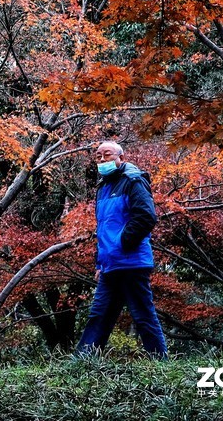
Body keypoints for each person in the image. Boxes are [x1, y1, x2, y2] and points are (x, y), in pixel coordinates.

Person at [76, 140, 167, 358]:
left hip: (132, 261)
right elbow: (104, 229)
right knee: (99, 314)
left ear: (121, 158)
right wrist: (100, 261)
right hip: (110, 264)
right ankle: (82, 362)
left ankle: (161, 362)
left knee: (142, 314)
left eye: (106, 155)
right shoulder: (103, 187)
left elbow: (146, 217)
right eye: (98, 156)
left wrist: (123, 244)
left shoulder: (133, 181)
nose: (101, 160)